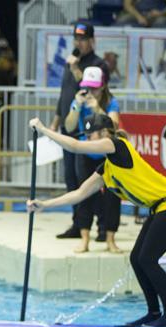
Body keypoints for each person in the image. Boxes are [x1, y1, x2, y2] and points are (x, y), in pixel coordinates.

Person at [27, 113, 166, 327]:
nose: (88, 140)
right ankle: (154, 313)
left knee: (148, 259)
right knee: (137, 259)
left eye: (91, 135)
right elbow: (79, 194)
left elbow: (75, 146)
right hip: (161, 207)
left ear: (104, 132)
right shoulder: (107, 168)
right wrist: (45, 205)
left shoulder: (116, 144)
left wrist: (44, 130)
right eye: (86, 136)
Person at [52, 21, 107, 240]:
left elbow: (89, 91)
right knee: (71, 180)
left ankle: (102, 227)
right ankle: (78, 224)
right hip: (68, 127)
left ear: (92, 40)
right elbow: (63, 95)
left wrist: (76, 69)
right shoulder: (69, 64)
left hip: (88, 132)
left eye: (83, 39)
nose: (79, 43)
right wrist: (56, 122)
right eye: (77, 39)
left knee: (92, 181)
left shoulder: (98, 65)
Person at [63, 66, 122, 253]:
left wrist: (97, 108)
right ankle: (85, 239)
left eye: (94, 88)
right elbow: (69, 126)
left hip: (107, 155)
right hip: (86, 154)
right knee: (84, 195)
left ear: (103, 86)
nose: (91, 92)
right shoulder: (79, 101)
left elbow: (114, 125)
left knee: (113, 196)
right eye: (88, 87)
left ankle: (110, 239)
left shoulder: (112, 103)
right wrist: (76, 107)